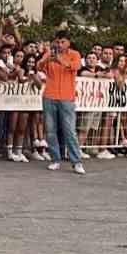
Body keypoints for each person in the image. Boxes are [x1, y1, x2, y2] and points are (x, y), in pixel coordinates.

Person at [37, 30, 85, 174]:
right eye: (58, 41)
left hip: (67, 97)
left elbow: (76, 67)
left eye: (63, 41)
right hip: (49, 96)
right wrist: (47, 59)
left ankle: (76, 162)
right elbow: (39, 67)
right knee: (50, 130)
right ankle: (55, 159)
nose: (60, 44)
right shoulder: (49, 53)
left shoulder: (75, 54)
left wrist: (60, 60)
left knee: (69, 130)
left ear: (69, 42)